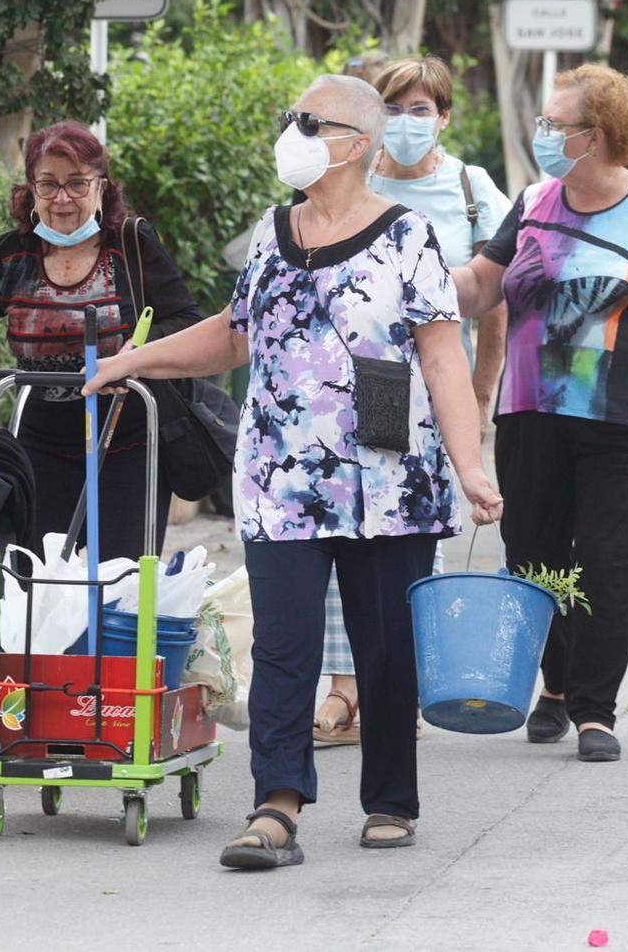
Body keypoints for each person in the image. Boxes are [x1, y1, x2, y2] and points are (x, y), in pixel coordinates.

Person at [88, 74, 503, 870]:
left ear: (355, 143)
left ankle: (388, 800)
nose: (293, 131)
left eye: (307, 121)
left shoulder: (408, 236)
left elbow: (444, 359)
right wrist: (132, 360)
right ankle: (276, 804)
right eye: (292, 118)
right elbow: (234, 334)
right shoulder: (272, 230)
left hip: (387, 481)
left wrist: (471, 468)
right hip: (280, 478)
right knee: (283, 645)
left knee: (386, 648)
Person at [452, 64, 628, 763]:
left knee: (605, 563)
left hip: (622, 417)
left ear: (597, 135)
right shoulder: (535, 199)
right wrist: (416, 277)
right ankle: (555, 684)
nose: (543, 135)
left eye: (555, 125)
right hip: (530, 412)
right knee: (534, 558)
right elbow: (484, 285)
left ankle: (595, 709)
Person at [310, 55, 512, 749]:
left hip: (430, 392)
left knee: (405, 539)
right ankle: (344, 690)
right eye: (392, 109)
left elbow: (495, 299)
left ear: (444, 117)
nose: (405, 123)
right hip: (348, 389)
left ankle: (394, 685)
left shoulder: (471, 188)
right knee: (339, 525)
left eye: (420, 109)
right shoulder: (350, 178)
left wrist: (480, 394)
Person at [0, 122, 201, 560]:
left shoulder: (130, 245)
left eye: (77, 184)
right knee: (37, 583)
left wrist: (138, 355)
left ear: (102, 188)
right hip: (38, 449)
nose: (62, 199)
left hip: (127, 445)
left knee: (119, 586)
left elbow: (186, 320)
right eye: (48, 184)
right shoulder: (12, 254)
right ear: (31, 190)